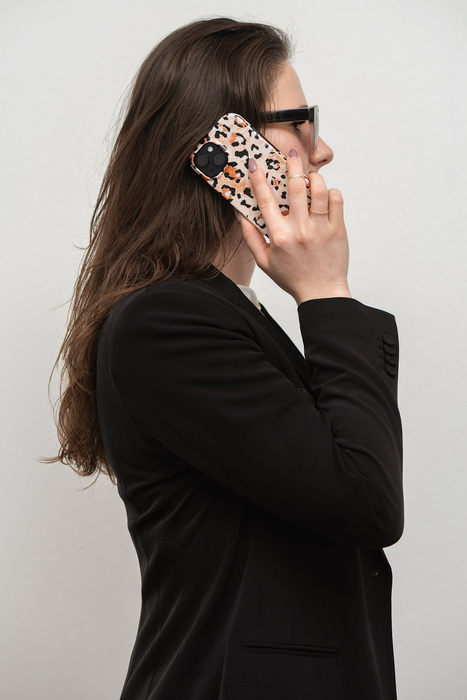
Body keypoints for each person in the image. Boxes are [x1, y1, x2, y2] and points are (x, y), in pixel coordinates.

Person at [45, 16, 404, 700]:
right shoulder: (164, 323)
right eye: (299, 123)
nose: (322, 149)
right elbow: (366, 499)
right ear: (219, 148)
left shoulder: (222, 310)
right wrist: (326, 292)